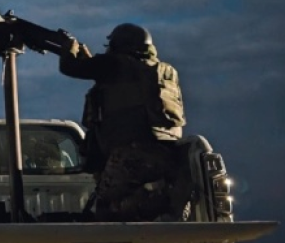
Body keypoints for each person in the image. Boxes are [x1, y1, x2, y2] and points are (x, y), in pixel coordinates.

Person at [58, 23, 189, 221]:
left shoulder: (114, 64)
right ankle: (161, 204)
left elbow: (69, 67)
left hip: (129, 154)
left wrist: (69, 48)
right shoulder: (163, 71)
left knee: (105, 210)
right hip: (166, 153)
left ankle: (158, 205)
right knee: (125, 201)